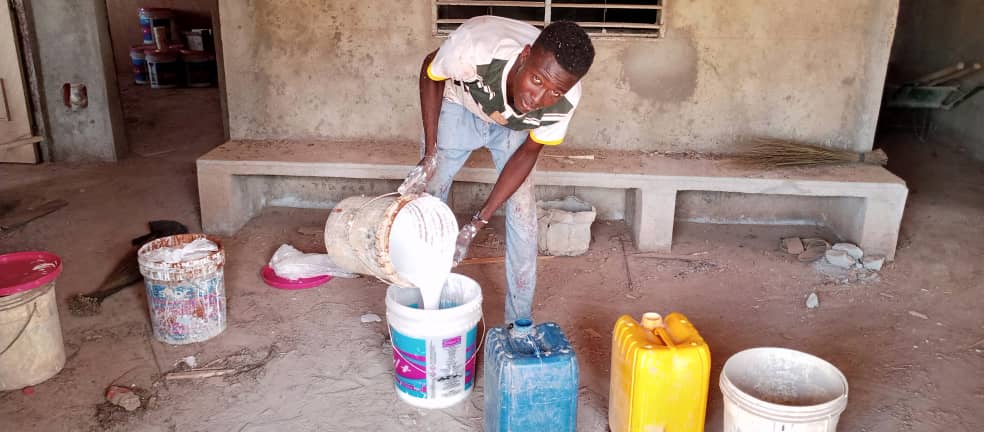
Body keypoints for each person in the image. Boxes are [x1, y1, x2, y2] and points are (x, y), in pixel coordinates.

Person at [399, 16, 595, 323]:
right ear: (525, 55)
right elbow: (430, 70)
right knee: (428, 197)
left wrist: (477, 222)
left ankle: (519, 322)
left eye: (554, 92)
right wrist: (430, 154)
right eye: (537, 80)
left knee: (523, 213)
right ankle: (419, 307)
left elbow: (528, 153)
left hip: (511, 126)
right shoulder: (474, 49)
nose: (538, 99)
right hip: (461, 105)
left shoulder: (564, 100)